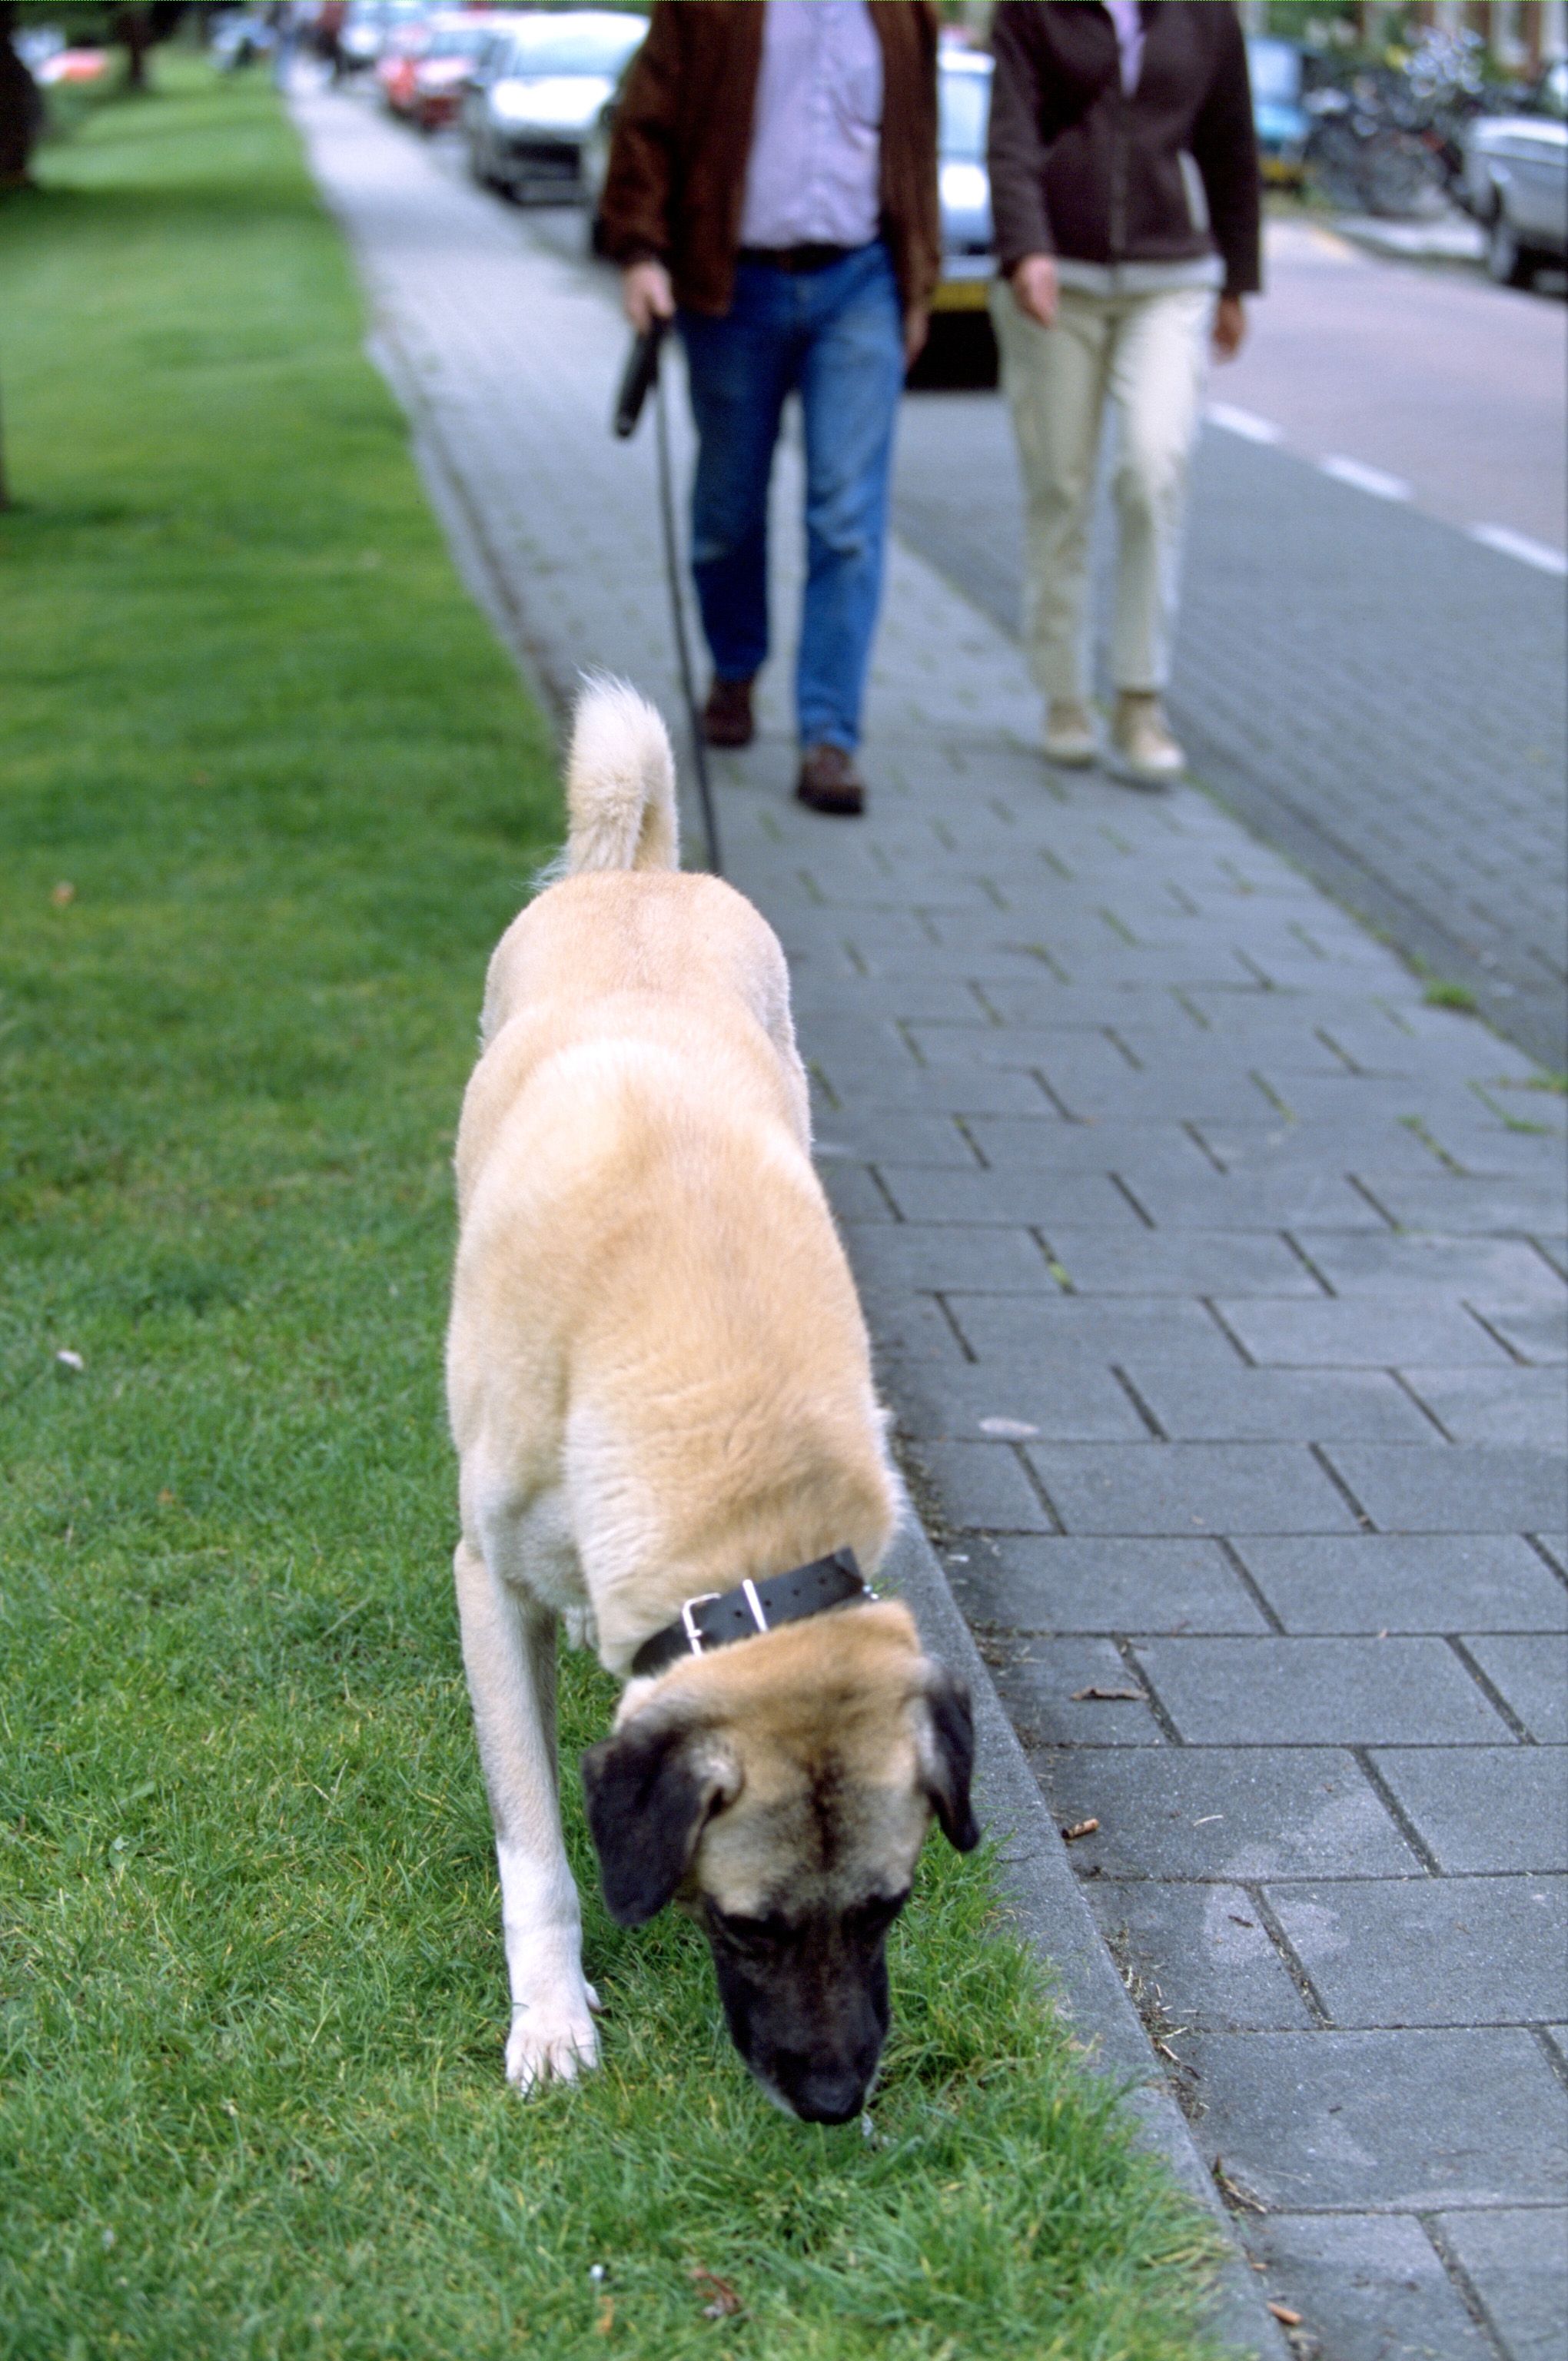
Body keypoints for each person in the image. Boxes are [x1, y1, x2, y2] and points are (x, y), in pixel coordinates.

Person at [600, 2, 940, 817]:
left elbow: (915, 145)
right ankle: (735, 667)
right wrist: (643, 252)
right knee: (728, 509)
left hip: (859, 283)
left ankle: (830, 735)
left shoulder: (901, 12)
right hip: (732, 285)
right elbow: (646, 119)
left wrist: (917, 280)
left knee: (846, 516)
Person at [987, 2, 1261, 786]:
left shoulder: (1205, 14)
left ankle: (1140, 696)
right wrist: (1025, 246)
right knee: (1060, 487)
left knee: (1153, 468)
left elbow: (1230, 145)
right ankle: (1064, 694)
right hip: (1054, 278)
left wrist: (1237, 280)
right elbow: (1010, 139)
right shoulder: (1032, 11)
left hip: (1169, 277)